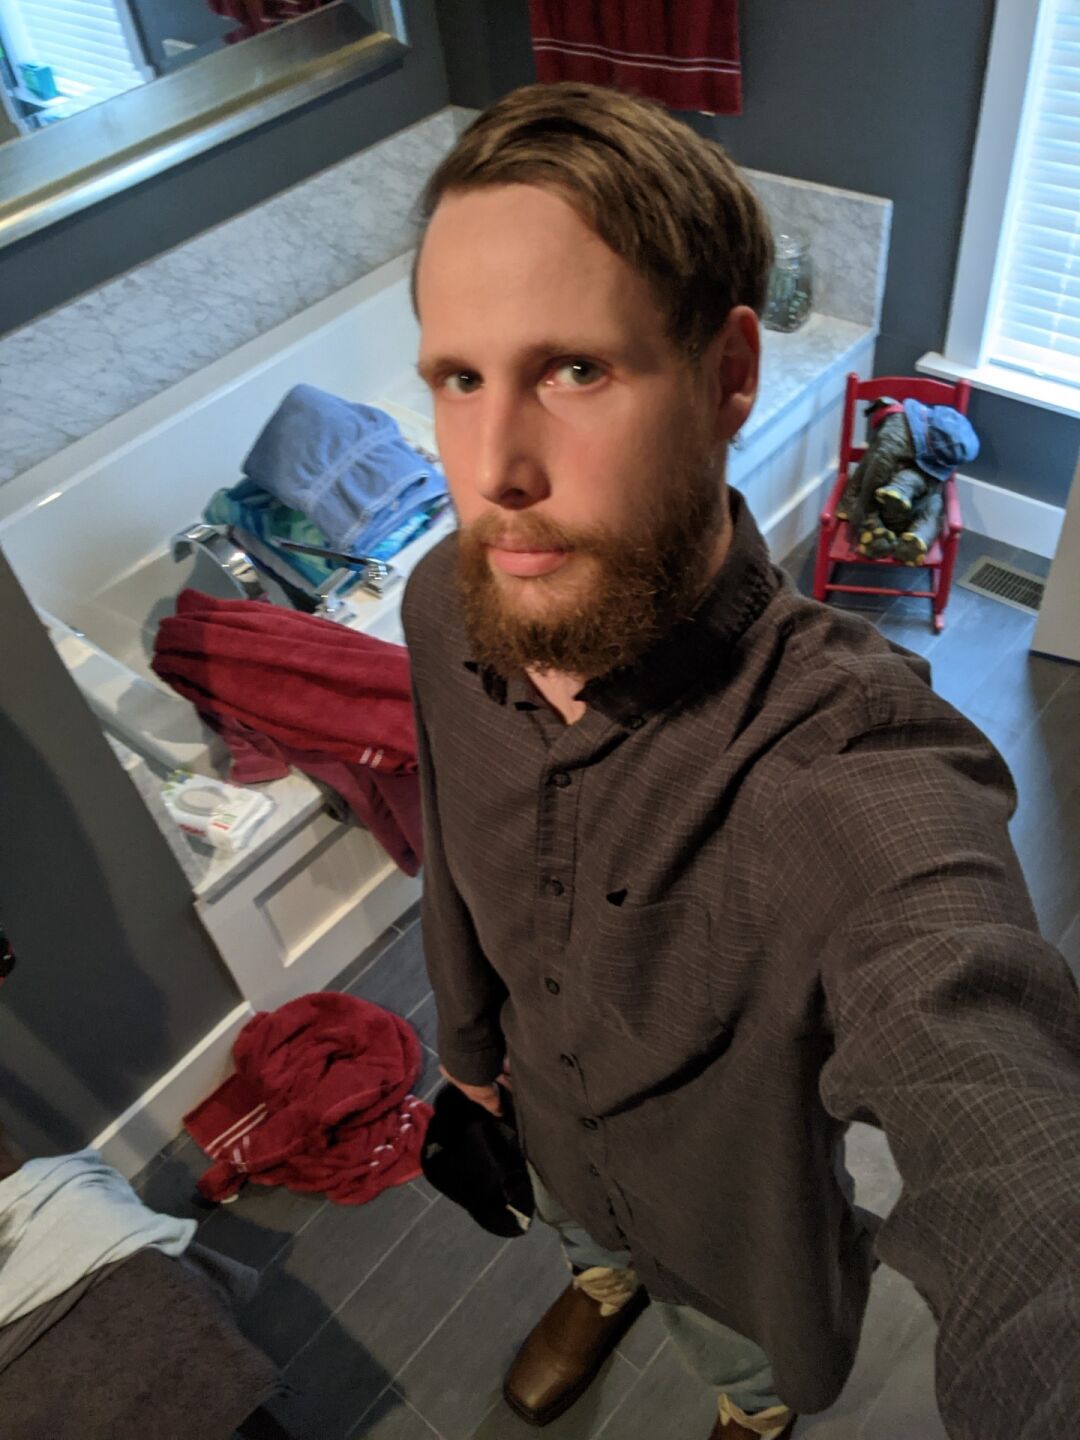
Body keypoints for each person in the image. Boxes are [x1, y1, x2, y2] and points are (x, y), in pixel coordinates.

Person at [401, 82, 1080, 1440]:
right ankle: (598, 1281)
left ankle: (748, 1411)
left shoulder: (848, 752)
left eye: (574, 369)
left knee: (739, 1347)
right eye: (460, 379)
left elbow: (998, 1102)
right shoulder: (445, 603)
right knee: (581, 1228)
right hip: (546, 1124)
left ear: (726, 376)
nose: (496, 470)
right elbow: (448, 849)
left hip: (725, 1209)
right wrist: (468, 1047)